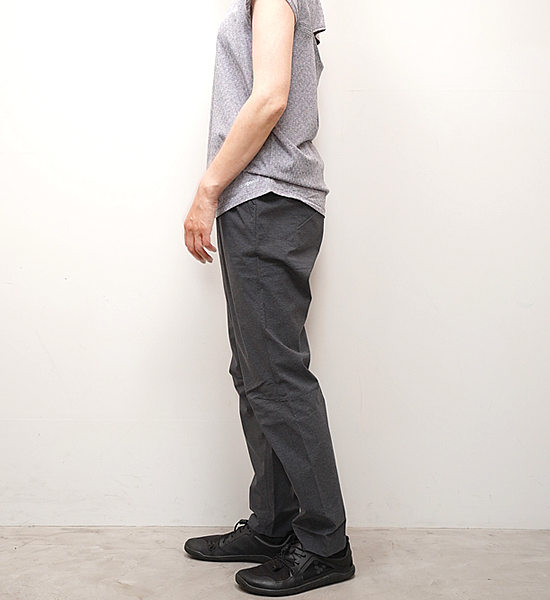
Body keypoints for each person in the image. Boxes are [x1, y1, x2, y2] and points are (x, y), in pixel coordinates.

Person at [182, 0, 355, 595]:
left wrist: (207, 190)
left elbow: (270, 98)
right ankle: (275, 525)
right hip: (264, 201)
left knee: (276, 378)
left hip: (266, 198)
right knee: (257, 375)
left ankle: (325, 544)